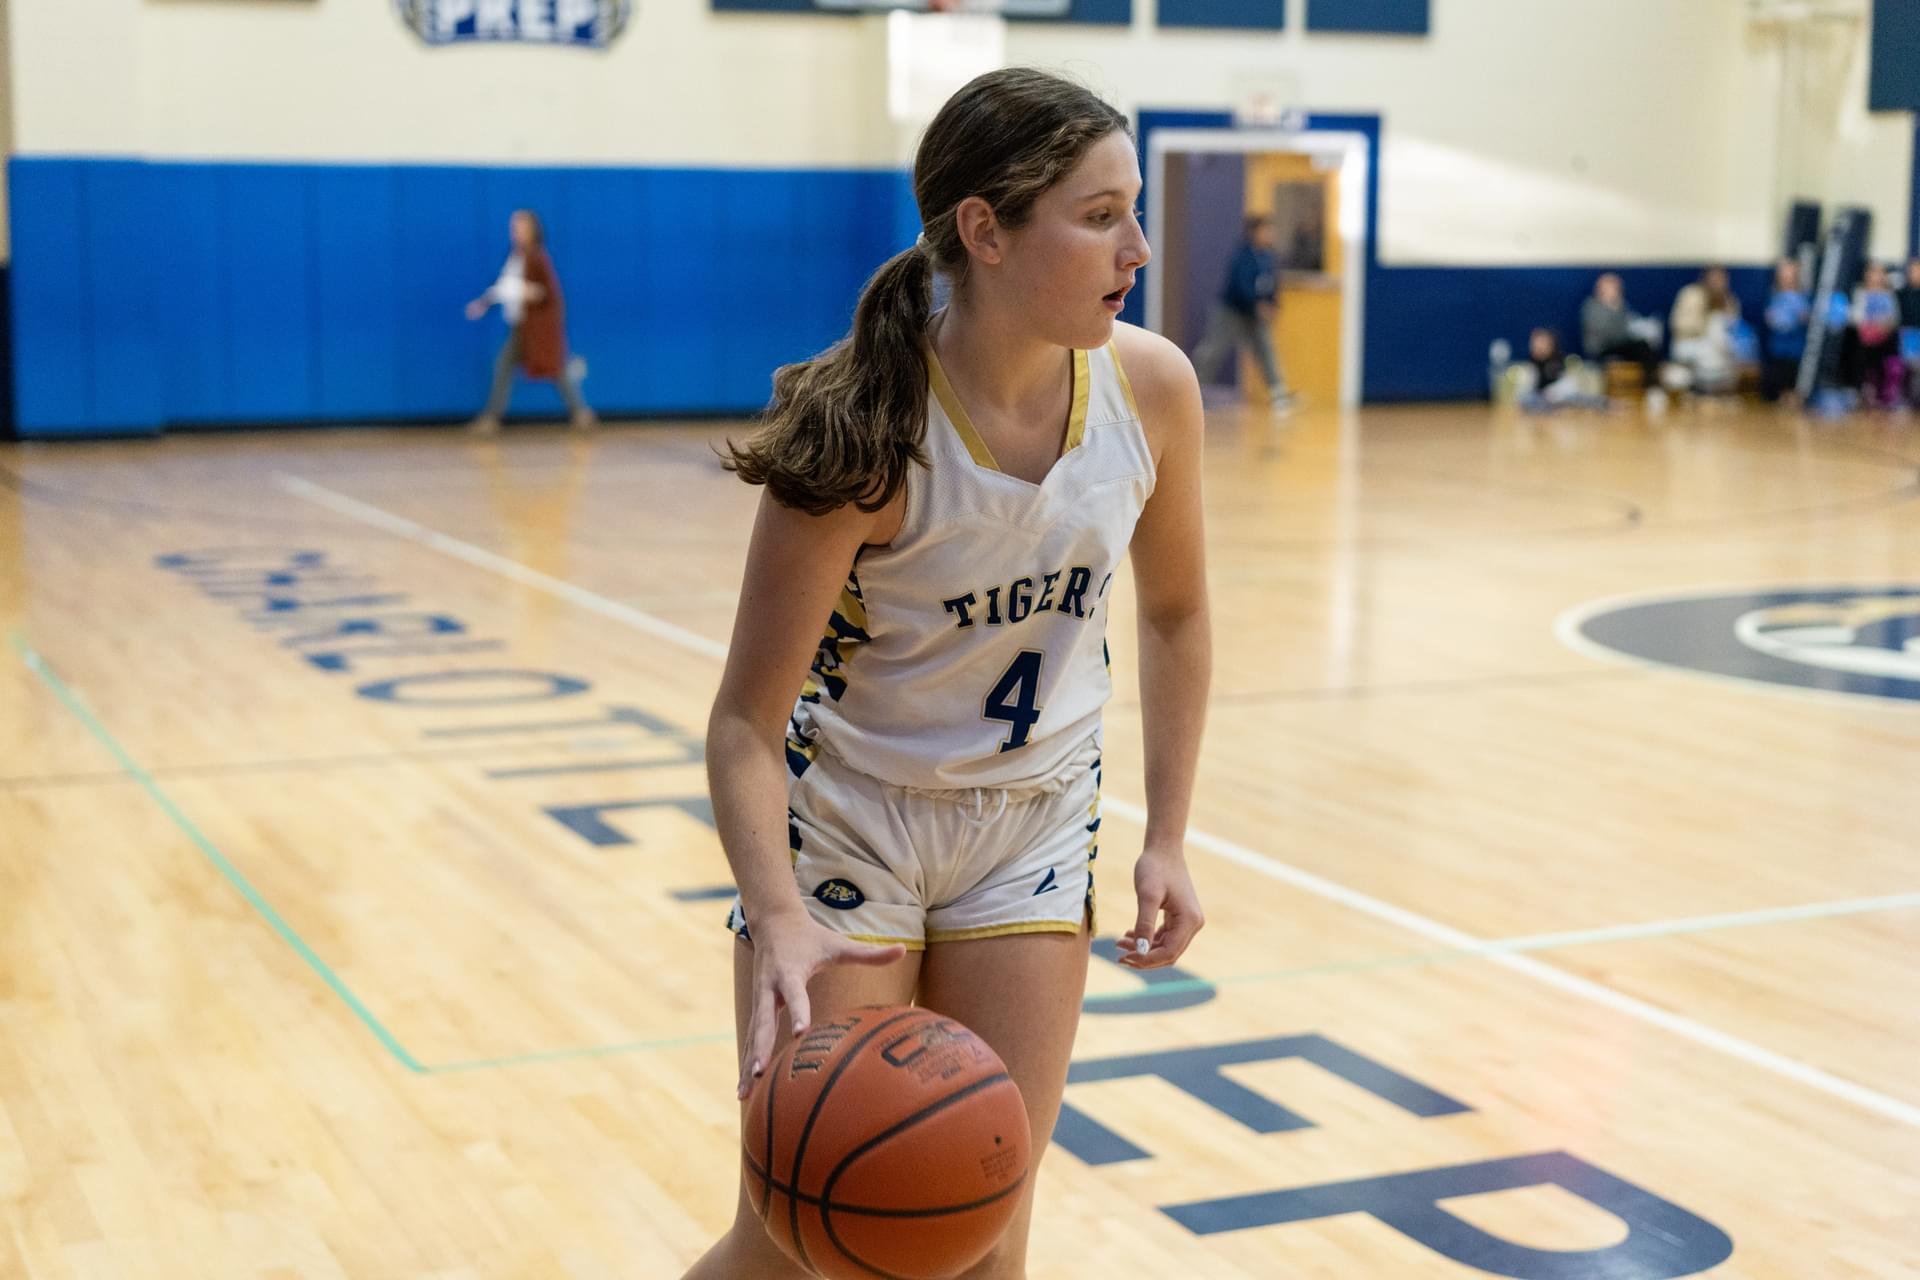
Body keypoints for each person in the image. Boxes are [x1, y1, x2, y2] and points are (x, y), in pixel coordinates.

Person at [679, 68, 1209, 1280]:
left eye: (1135, 210)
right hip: (854, 833)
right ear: (985, 228)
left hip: (1029, 828)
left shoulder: (1152, 389)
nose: (1136, 245)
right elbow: (743, 728)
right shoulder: (866, 428)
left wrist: (1166, 833)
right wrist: (779, 917)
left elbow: (1177, 612)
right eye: (1098, 215)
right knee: (802, 1243)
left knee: (975, 1237)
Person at [465, 209, 595, 434]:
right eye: (514, 227)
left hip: (537, 328)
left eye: (521, 227)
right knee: (508, 365)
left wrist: (527, 291)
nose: (515, 232)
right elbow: (504, 286)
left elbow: (547, 293)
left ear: (533, 230)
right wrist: (484, 303)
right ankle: (493, 417)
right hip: (521, 327)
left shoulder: (537, 257)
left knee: (555, 368)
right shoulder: (516, 256)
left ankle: (581, 413)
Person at [1190, 214, 1297, 412]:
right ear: (1253, 232)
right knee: (1212, 350)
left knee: (1266, 350)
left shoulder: (1268, 256)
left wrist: (1272, 304)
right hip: (1232, 311)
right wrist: (1256, 304)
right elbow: (1240, 285)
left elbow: (1272, 284)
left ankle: (1278, 394)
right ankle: (1191, 391)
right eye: (1265, 230)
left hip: (1256, 314)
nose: (1270, 234)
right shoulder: (1242, 256)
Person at [1580, 272, 1662, 394]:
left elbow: (1627, 326)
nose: (1616, 290)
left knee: (1644, 346)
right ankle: (1651, 385)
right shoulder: (1592, 307)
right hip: (1602, 348)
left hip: (1620, 345)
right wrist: (1614, 309)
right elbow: (1608, 333)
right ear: (1601, 288)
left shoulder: (1622, 305)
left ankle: (1651, 386)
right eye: (1612, 287)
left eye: (1617, 287)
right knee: (1639, 345)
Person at [1669, 266, 1743, 394]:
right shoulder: (1690, 294)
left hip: (1719, 349)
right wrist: (1702, 322)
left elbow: (1733, 327)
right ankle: (1693, 385)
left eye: (1721, 279)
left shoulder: (1729, 300)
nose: (1717, 282)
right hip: (1690, 343)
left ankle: (1716, 387)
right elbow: (1677, 324)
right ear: (1706, 278)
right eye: (1714, 278)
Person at [1849, 260, 1903, 408]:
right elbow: (1855, 317)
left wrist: (1883, 326)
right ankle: (1862, 392)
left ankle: (1882, 394)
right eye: (1874, 273)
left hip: (1883, 339)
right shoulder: (1860, 292)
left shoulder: (1889, 295)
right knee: (1862, 357)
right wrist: (1868, 326)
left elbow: (1894, 318)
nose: (1877, 277)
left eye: (1880, 273)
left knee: (1885, 361)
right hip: (1865, 339)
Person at [1761, 258, 1810, 404]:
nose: (1786, 277)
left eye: (1790, 273)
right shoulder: (1773, 295)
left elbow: (1806, 318)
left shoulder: (1804, 296)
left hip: (1796, 348)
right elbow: (1771, 318)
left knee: (1793, 376)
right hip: (1778, 348)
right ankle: (1781, 395)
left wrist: (1804, 317)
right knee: (1777, 377)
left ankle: (1792, 394)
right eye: (1783, 274)